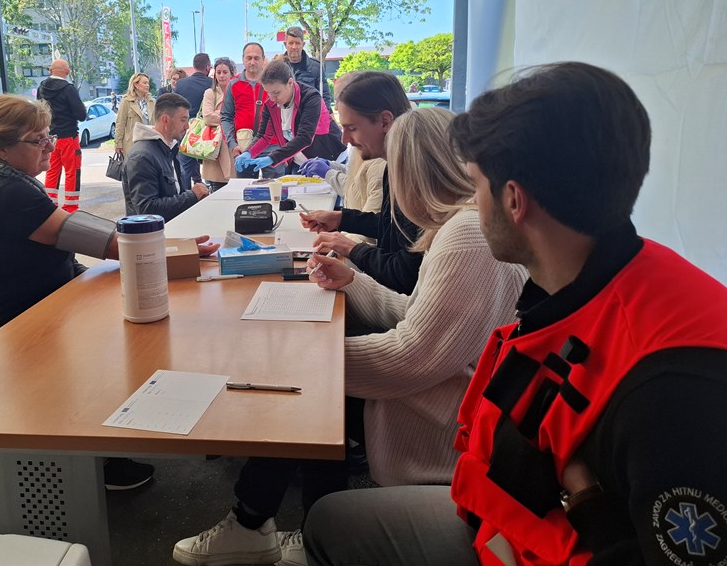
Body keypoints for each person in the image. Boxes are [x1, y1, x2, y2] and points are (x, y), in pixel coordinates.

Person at [303, 62, 727, 566]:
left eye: (474, 185)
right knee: (333, 520)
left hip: (528, 540)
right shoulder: (591, 278)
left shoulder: (674, 385)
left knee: (328, 524)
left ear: (513, 201)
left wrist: (585, 502)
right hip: (505, 516)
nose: (469, 204)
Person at [173, 108, 525, 566]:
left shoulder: (465, 236)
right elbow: (417, 316)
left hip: (445, 424)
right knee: (312, 384)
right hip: (444, 398)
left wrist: (303, 359)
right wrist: (352, 282)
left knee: (301, 392)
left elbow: (411, 357)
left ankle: (261, 525)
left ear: (411, 172)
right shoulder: (457, 228)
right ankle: (282, 528)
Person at [0, 94, 218, 490]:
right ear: (2, 147)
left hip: (45, 298)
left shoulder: (11, 181)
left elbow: (98, 236)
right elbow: (106, 243)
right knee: (126, 333)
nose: (50, 146)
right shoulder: (9, 192)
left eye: (48, 136)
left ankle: (115, 435)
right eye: (37, 140)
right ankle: (95, 455)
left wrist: (175, 248)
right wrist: (180, 251)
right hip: (19, 317)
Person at [300, 71, 421, 295]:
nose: (344, 139)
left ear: (385, 121)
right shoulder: (396, 166)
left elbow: (404, 274)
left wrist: (351, 248)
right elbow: (391, 227)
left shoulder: (416, 178)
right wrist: (341, 219)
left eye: (352, 128)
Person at [235, 58, 344, 178]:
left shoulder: (311, 98)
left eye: (276, 93)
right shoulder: (270, 104)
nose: (272, 98)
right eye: (268, 93)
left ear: (290, 83)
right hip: (301, 162)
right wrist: (248, 153)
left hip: (330, 158)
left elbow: (305, 137)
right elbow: (264, 136)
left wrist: (272, 158)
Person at [122, 93, 210, 222]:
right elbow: (147, 210)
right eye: (183, 120)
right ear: (165, 120)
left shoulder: (168, 148)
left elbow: (176, 193)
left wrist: (195, 197)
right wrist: (192, 196)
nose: (187, 126)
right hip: (155, 233)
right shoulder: (141, 157)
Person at [36, 59, 87, 213]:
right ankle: (70, 207)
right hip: (68, 136)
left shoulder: (41, 88)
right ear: (67, 71)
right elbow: (81, 115)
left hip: (50, 138)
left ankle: (50, 207)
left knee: (52, 171)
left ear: (50, 70)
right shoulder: (69, 89)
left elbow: (39, 112)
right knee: (72, 171)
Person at [283, 26, 342, 142]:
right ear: (285, 44)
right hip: (286, 124)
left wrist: (326, 118)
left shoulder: (316, 67)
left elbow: (325, 96)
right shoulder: (278, 67)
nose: (294, 47)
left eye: (297, 43)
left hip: (310, 122)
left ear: (303, 44)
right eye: (291, 43)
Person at [221, 42, 266, 179]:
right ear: (243, 59)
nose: (252, 62)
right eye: (249, 58)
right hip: (243, 147)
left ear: (263, 59)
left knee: (275, 187)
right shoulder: (233, 84)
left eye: (256, 58)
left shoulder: (273, 82)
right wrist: (232, 144)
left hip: (271, 146)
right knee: (246, 188)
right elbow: (226, 117)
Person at [175, 53, 212, 188]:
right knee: (210, 163)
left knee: (185, 165)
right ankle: (210, 189)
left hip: (185, 129)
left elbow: (174, 106)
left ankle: (186, 193)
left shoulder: (181, 84)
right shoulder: (213, 83)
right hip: (208, 131)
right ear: (207, 67)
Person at [200, 56, 236, 191]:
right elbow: (208, 117)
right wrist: (229, 118)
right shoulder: (210, 93)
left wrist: (220, 115)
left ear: (232, 73)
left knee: (236, 187)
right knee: (217, 187)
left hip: (233, 144)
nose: (221, 76)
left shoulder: (237, 92)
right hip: (215, 146)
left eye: (225, 72)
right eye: (218, 72)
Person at [114, 73, 154, 157]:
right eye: (144, 83)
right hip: (132, 144)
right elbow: (120, 123)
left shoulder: (152, 102)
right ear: (136, 84)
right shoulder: (126, 101)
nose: (147, 85)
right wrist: (118, 143)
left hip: (149, 143)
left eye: (148, 83)